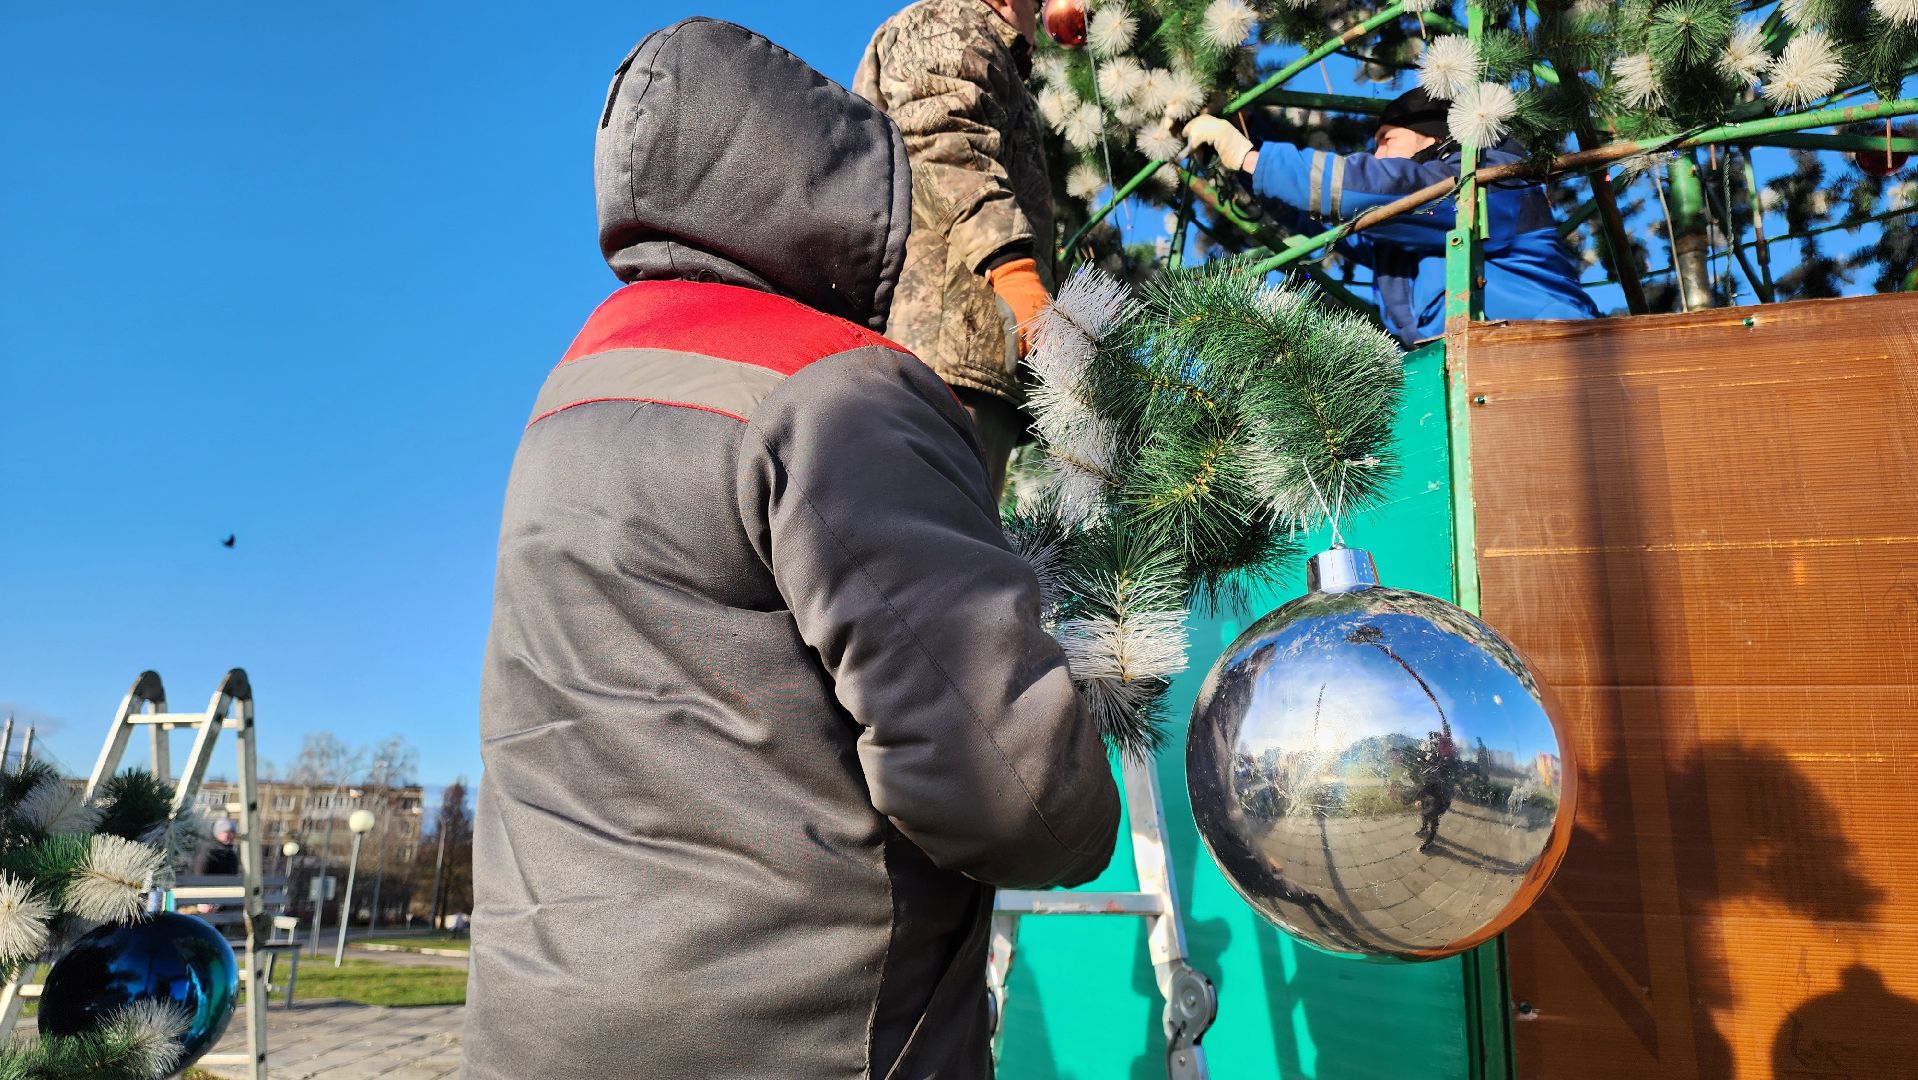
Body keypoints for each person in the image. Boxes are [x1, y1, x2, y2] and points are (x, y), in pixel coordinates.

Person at [460, 18, 1120, 1080]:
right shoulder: (839, 393)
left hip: (534, 1038)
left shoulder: (570, 395)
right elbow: (1019, 799)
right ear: (837, 186)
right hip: (800, 1042)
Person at [1184, 87, 1598, 345]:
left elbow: (1381, 187)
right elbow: (1323, 219)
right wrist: (1245, 156)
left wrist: (1252, 157)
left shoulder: (1493, 183)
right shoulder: (1411, 231)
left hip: (1550, 345)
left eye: (1386, 140)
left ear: (1434, 138)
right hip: (1476, 358)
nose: (1376, 154)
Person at [856, 0, 1052, 496]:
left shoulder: (984, 47)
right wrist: (1012, 268)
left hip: (966, 361)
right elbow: (944, 142)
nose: (1046, 15)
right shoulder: (946, 23)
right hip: (936, 361)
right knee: (929, 553)